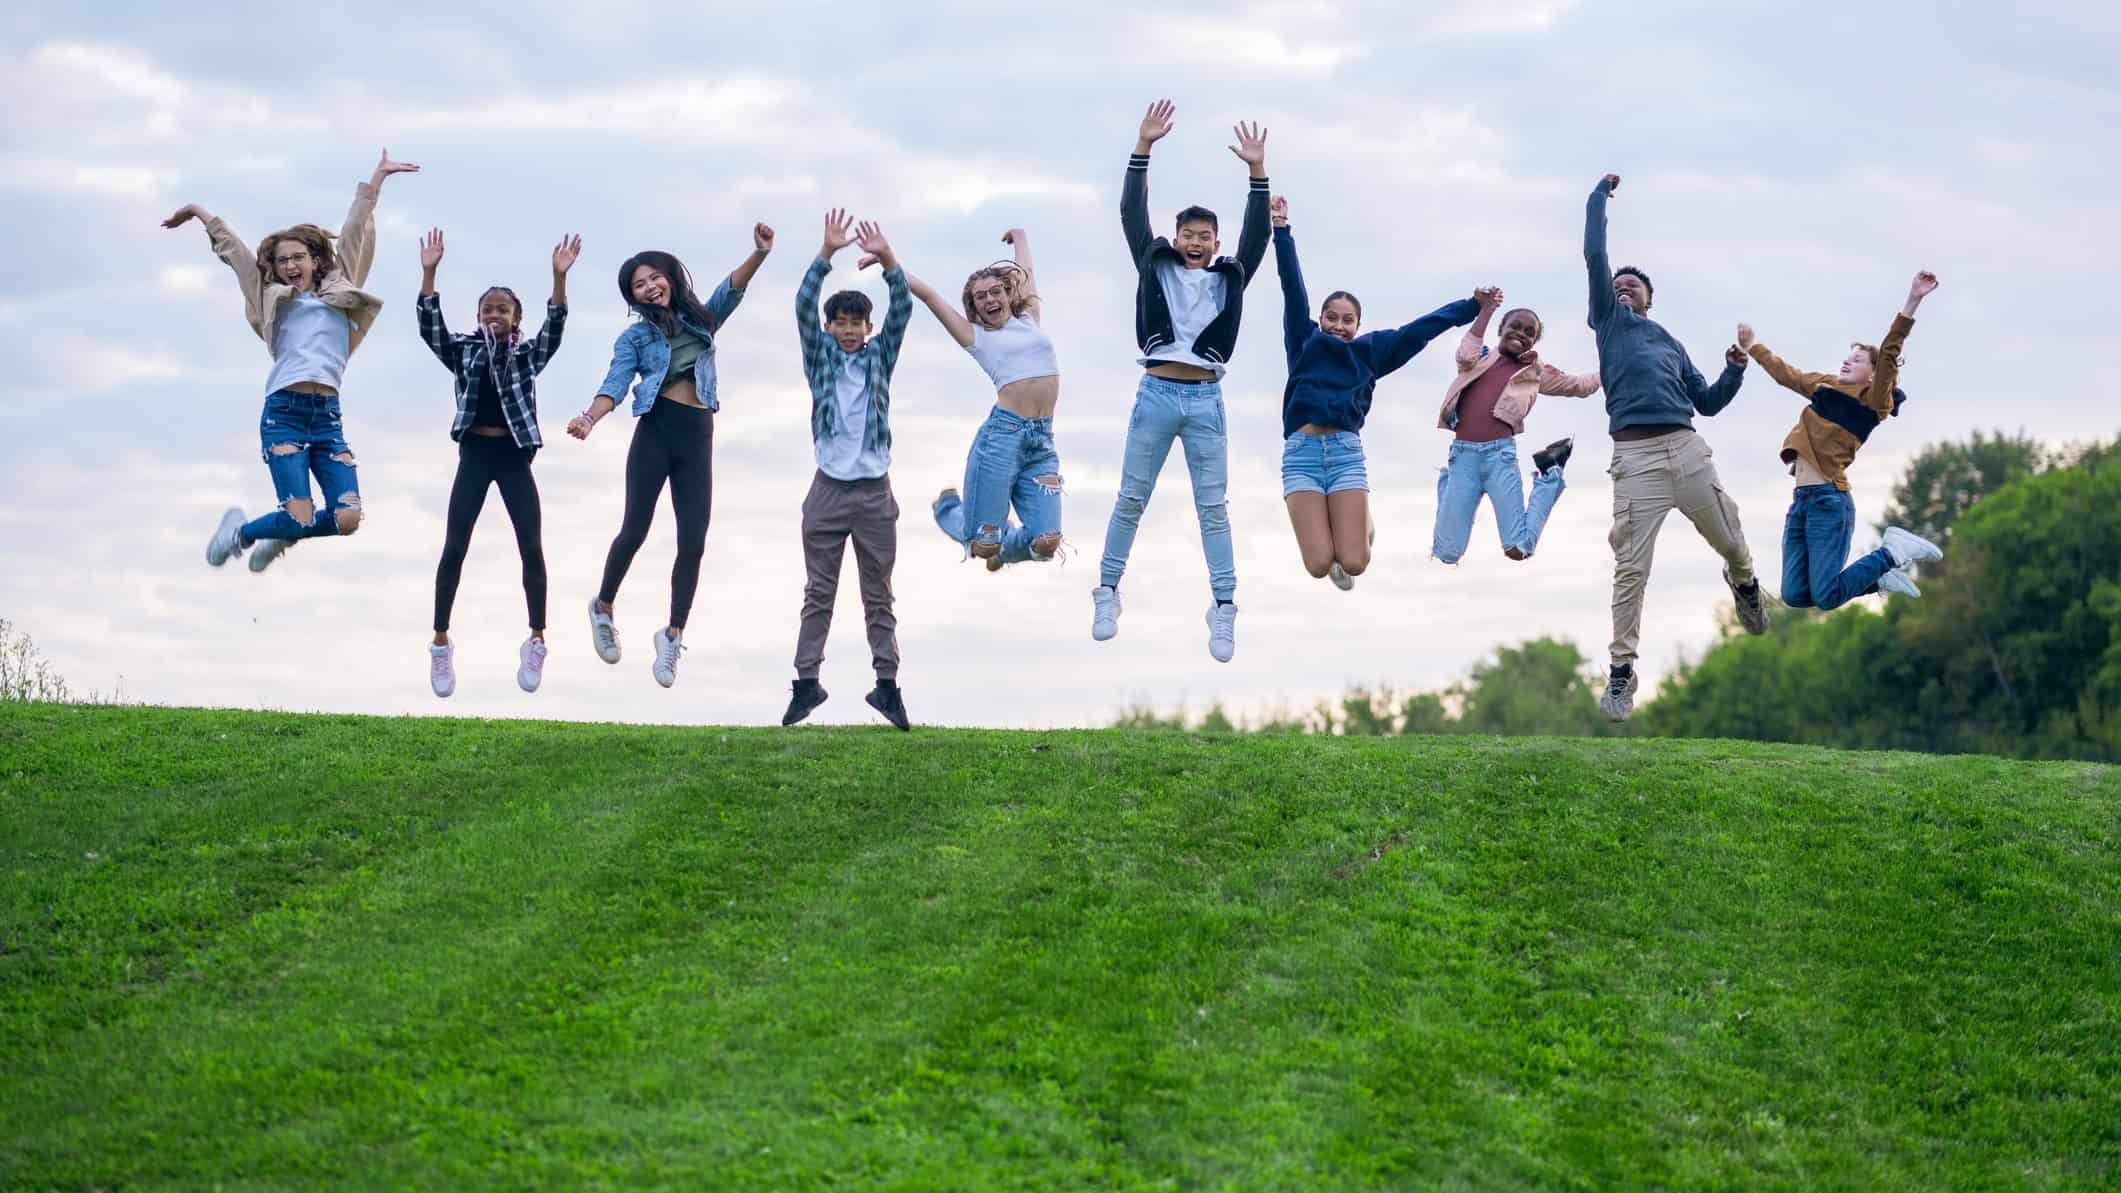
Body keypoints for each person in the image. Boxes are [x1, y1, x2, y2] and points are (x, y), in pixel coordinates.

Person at [169, 149, 419, 574]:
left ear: (317, 259)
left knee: (347, 518)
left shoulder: (342, 287)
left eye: (297, 257)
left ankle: (277, 533)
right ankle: (242, 533)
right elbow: (236, 254)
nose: (289, 266)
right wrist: (198, 212)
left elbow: (356, 229)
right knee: (298, 512)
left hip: (327, 416)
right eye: (282, 260)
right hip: (283, 412)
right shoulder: (268, 296)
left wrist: (376, 180)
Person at [1584, 172, 1762, 722]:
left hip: (1685, 450)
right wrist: (1597, 199)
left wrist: (1734, 370)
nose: (1622, 286)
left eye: (1633, 285)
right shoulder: (1609, 323)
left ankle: (1747, 583)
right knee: (1630, 570)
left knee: (1731, 539)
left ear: (1650, 299)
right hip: (1635, 461)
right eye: (1617, 283)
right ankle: (1621, 673)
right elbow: (1594, 254)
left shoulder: (1669, 342)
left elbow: (1707, 402)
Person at [567, 225, 775, 688]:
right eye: (638, 286)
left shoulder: (702, 318)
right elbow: (616, 383)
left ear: (669, 277)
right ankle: (603, 607)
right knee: (635, 529)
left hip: (698, 433)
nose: (648, 288)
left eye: (652, 278)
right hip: (656, 429)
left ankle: (672, 634)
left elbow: (731, 290)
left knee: (694, 542)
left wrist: (758, 253)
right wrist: (589, 417)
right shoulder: (636, 339)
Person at [1269, 194, 1480, 588]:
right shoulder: (1304, 342)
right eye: (1331, 317)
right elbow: (1291, 288)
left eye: (1347, 320)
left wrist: (1468, 307)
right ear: (1320, 319)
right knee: (1318, 565)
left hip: (1347, 455)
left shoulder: (1370, 352)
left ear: (1358, 324)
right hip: (1302, 457)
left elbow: (1417, 331)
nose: (1338, 325)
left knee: (1353, 563)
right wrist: (1281, 230)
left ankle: (1363, 522)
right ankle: (1338, 521)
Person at [415, 229, 578, 698]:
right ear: (479, 315)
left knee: (530, 544)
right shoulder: (464, 351)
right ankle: (441, 642)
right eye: (488, 309)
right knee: (455, 547)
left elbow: (556, 329)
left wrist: (558, 279)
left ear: (515, 317)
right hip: (475, 454)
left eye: (503, 309)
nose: (494, 315)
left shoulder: (526, 356)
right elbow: (430, 329)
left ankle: (537, 638)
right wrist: (430, 272)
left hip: (512, 457)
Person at [1738, 270, 1943, 609]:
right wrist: (1754, 347)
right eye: (1848, 357)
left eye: (1858, 359)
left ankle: (1892, 551)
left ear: (1874, 373)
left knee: (1827, 597)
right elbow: (1786, 375)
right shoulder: (1826, 385)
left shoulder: (1875, 401)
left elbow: (1890, 351)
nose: (1848, 362)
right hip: (1801, 502)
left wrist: (1913, 299)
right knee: (1795, 594)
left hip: (1829, 501)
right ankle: (1876, 577)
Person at [782, 212, 914, 731]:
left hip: (875, 494)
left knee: (878, 595)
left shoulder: (881, 357)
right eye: (840, 323)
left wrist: (887, 259)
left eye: (857, 323)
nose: (850, 331)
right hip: (827, 493)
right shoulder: (820, 359)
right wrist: (825, 253)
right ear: (830, 327)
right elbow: (800, 306)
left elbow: (902, 307)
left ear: (868, 328)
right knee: (819, 592)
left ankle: (887, 686)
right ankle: (805, 683)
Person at [910, 229, 1064, 572]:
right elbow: (930, 296)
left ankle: (1003, 552)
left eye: (996, 291)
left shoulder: (1029, 319)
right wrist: (888, 261)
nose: (990, 299)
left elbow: (1027, 274)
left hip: (1041, 440)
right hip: (1001, 439)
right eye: (981, 297)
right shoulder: (976, 336)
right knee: (981, 545)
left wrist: (1022, 238)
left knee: (1047, 541)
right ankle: (949, 511)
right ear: (974, 305)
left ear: (1008, 295)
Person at [1431, 287, 1601, 566]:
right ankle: (1448, 483)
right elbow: (1464, 353)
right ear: (1501, 328)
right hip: (1463, 460)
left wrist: (1613, 365)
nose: (1521, 334)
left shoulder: (1534, 373)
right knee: (1447, 553)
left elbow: (1578, 386)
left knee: (1518, 548)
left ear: (1534, 342)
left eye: (1529, 333)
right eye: (1515, 327)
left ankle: (1550, 474)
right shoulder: (1477, 359)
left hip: (1500, 459)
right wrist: (1485, 311)